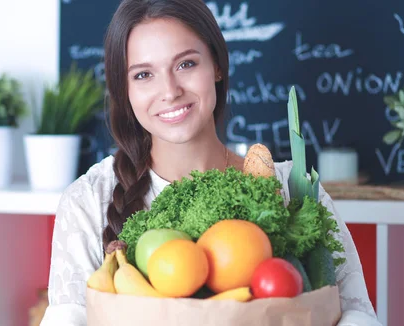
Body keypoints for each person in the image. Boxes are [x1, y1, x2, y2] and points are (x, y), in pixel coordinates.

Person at [40, 0, 380, 325]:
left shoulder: (293, 188)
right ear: (123, 89)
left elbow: (357, 313)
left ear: (217, 65)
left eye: (186, 64)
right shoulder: (89, 200)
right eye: (143, 75)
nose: (170, 90)